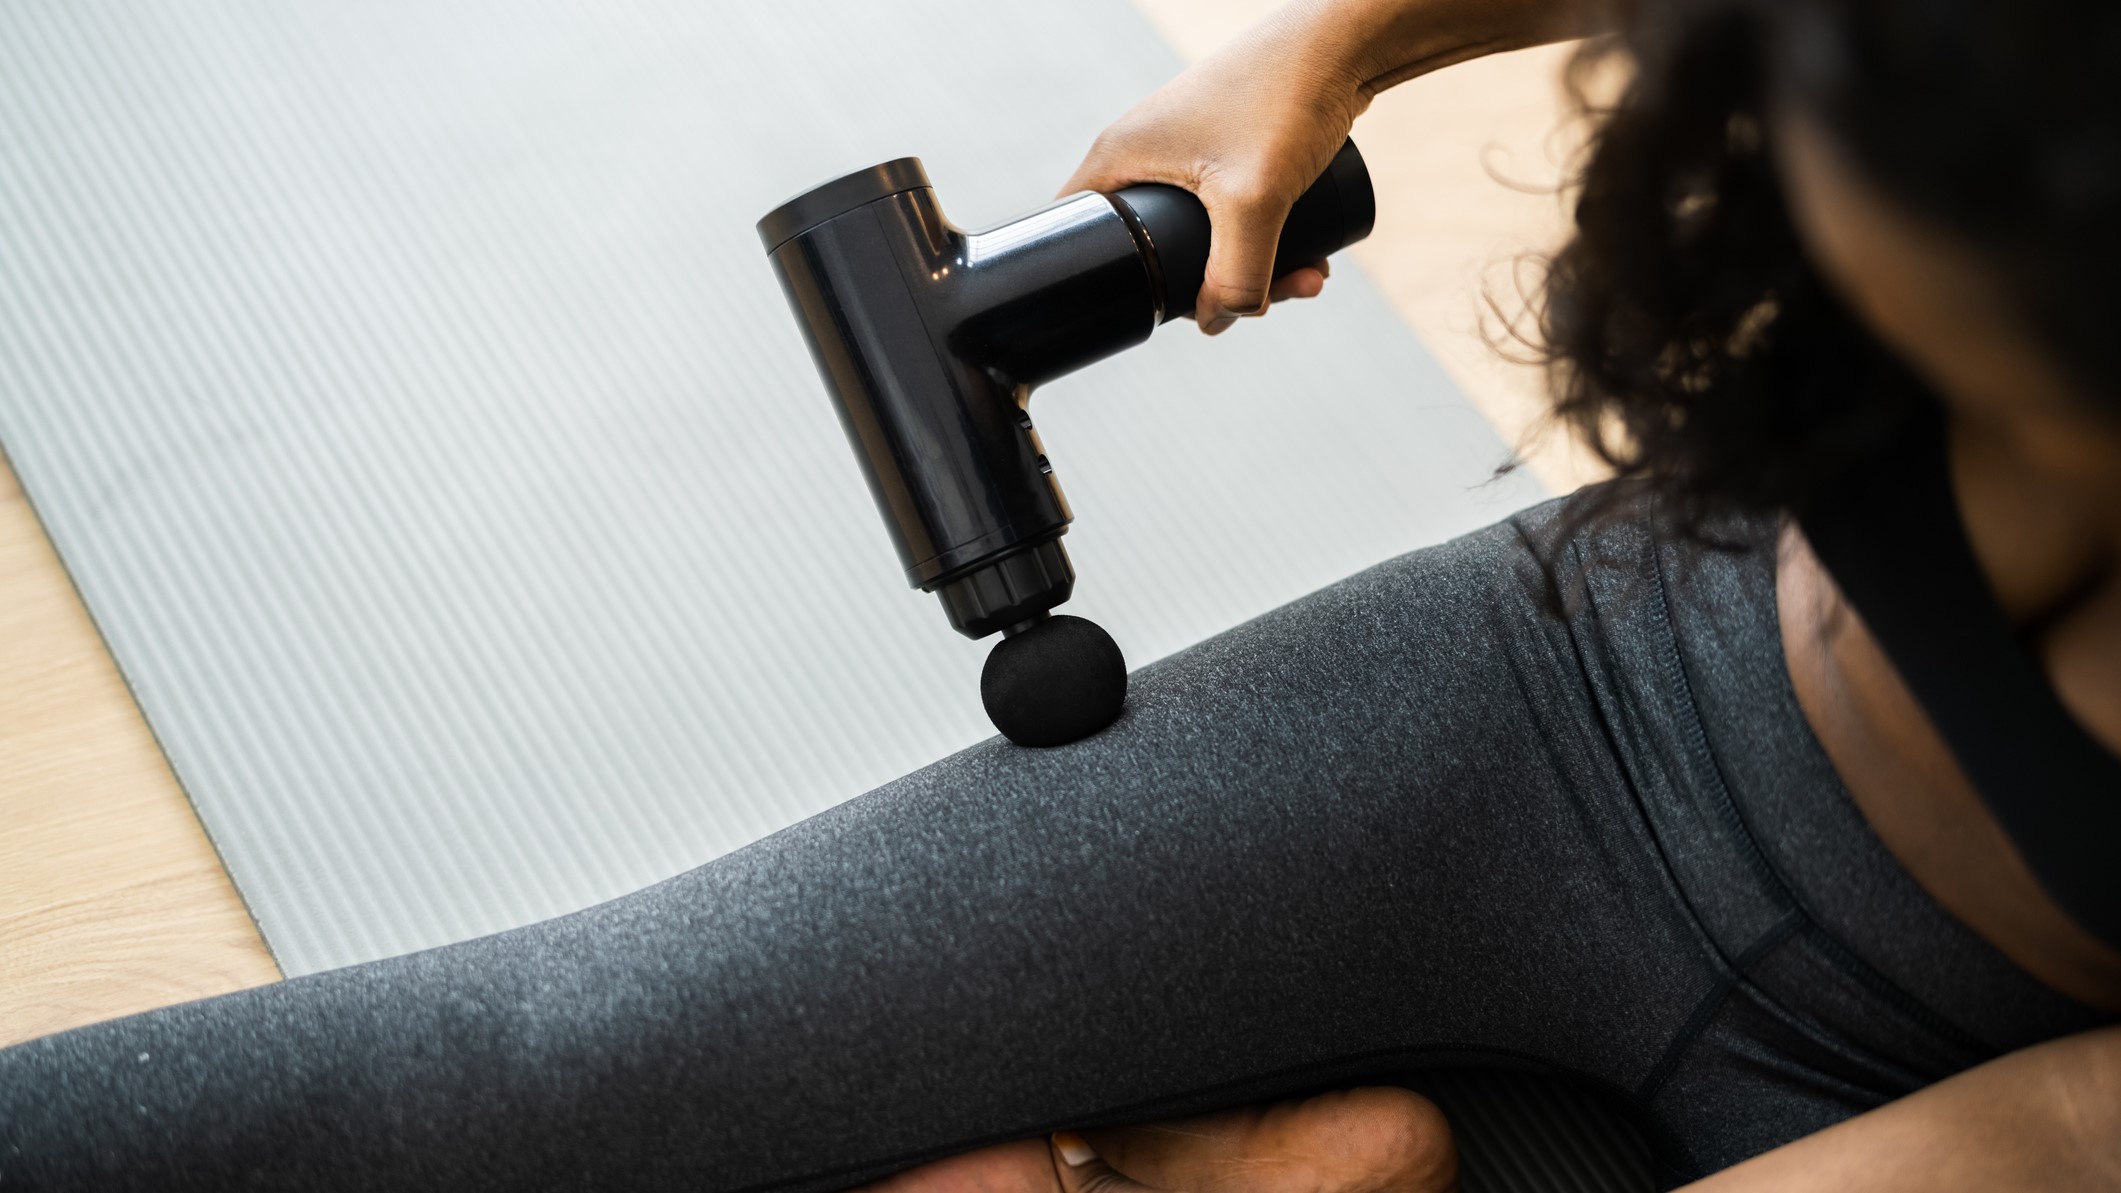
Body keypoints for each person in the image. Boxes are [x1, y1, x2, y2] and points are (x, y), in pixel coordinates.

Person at [1, 0, 2115, 1189]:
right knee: (575, 1056)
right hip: (1578, 709)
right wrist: (1345, 48)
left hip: (1957, 1103)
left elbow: (2048, 1128)